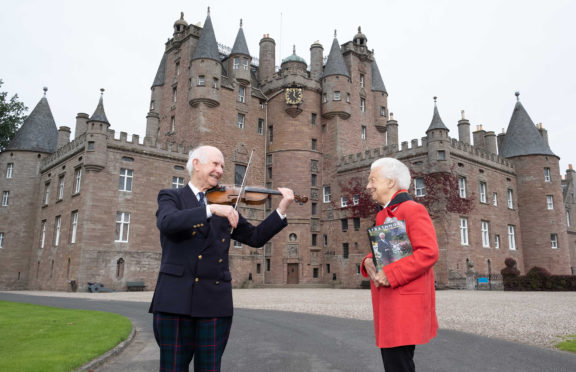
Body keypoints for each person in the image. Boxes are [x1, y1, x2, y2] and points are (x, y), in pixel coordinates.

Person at [149, 145, 294, 371]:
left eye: (222, 166)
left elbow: (255, 237)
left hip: (214, 303)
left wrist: (281, 210)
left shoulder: (226, 204)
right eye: (215, 164)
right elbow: (167, 222)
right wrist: (211, 210)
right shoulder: (171, 197)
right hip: (174, 302)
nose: (220, 170)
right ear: (196, 164)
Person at [361, 157, 439, 372]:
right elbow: (393, 248)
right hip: (390, 303)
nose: (368, 186)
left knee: (398, 366)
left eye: (372, 180)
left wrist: (392, 273)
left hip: (404, 306)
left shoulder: (413, 209)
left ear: (391, 182)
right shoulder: (383, 214)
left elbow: (428, 252)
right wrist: (368, 259)